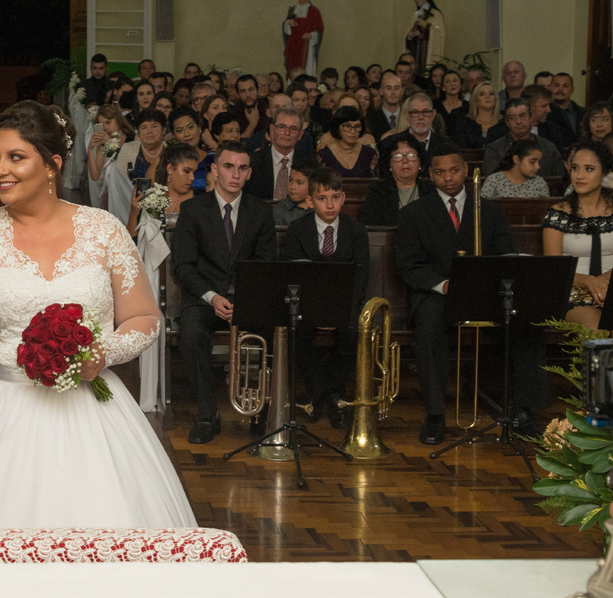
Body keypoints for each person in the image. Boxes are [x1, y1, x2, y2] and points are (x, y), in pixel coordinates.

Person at [0, 101, 193, 528]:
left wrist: (101, 354)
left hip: (92, 411)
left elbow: (144, 317)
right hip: (1, 410)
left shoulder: (103, 230)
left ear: (52, 165)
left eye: (16, 157)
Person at [395, 143, 547, 444]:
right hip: (437, 292)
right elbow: (409, 265)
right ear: (430, 175)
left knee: (525, 323)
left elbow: (505, 253)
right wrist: (443, 285)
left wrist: (487, 284)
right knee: (428, 327)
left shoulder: (490, 210)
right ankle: (435, 415)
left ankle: (522, 411)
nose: (448, 177)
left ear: (465, 170)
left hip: (486, 292)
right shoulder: (413, 213)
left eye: (454, 170)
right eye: (440, 172)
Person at [173, 141, 278, 444]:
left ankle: (261, 411)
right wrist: (212, 296)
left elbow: (266, 264)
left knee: (275, 329)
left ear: (249, 173)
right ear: (215, 169)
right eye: (228, 167)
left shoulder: (261, 211)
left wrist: (243, 300)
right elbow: (183, 266)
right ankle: (208, 414)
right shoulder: (193, 209)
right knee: (191, 334)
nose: (235, 174)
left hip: (247, 297)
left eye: (242, 168)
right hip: (205, 299)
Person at [282, 167, 370, 428]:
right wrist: (318, 311)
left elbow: (360, 278)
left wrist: (334, 311)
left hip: (344, 303)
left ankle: (320, 393)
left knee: (353, 332)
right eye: (322, 198)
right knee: (295, 332)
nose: (330, 205)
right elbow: (292, 275)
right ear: (310, 201)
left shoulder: (356, 231)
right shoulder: (297, 229)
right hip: (307, 303)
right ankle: (330, 392)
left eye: (335, 197)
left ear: (343, 198)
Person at [542, 142, 613, 332]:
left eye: (589, 169)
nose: (579, 175)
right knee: (597, 327)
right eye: (575, 168)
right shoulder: (558, 213)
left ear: (605, 173)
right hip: (571, 292)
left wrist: (603, 284)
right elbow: (555, 270)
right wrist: (588, 281)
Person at [359, 135, 434, 227]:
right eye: (398, 156)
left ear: (420, 163)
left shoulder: (431, 190)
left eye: (411, 156)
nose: (405, 161)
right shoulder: (377, 191)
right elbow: (370, 226)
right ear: (389, 164)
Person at [246, 107, 317, 201]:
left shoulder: (311, 165)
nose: (287, 133)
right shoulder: (252, 162)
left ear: (300, 134)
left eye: (293, 129)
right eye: (282, 127)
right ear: (272, 130)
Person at [482, 100, 563, 177]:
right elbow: (492, 180)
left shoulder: (548, 148)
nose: (518, 121)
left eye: (523, 116)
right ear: (507, 122)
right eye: (512, 118)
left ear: (530, 117)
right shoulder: (495, 150)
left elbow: (558, 178)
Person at [378, 93, 446, 169]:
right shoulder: (389, 144)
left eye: (425, 112)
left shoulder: (445, 145)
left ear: (433, 115)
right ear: (407, 115)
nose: (421, 117)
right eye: (415, 112)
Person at [480, 138, 551, 199]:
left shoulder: (539, 183)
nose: (538, 167)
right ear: (516, 160)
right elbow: (484, 208)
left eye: (539, 162)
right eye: (532, 162)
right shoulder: (494, 181)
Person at [317, 109, 378, 178]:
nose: (353, 131)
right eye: (347, 126)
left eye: (357, 126)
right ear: (337, 128)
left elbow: (376, 181)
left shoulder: (369, 153)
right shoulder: (324, 155)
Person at [282, 0, 324, 78]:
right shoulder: (293, 9)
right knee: (292, 66)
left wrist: (311, 35)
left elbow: (319, 29)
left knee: (307, 68)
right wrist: (288, 23)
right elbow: (285, 26)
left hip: (306, 44)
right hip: (293, 44)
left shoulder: (314, 11)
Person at [453, 80, 501, 149]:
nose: (487, 96)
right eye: (482, 94)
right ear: (476, 101)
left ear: (495, 100)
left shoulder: (504, 123)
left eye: (491, 94)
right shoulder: (464, 124)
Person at [404, 0, 445, 66]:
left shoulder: (436, 14)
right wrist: (410, 36)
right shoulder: (415, 15)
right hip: (415, 52)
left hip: (427, 52)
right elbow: (408, 35)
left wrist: (427, 26)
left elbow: (440, 34)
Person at [366, 71, 405, 139]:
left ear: (401, 91)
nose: (393, 92)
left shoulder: (409, 116)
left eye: (396, 88)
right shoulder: (370, 118)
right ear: (381, 91)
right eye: (389, 88)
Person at [549, 72, 585, 140]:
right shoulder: (545, 113)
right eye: (556, 85)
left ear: (572, 90)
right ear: (550, 88)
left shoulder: (583, 113)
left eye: (565, 86)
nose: (560, 89)